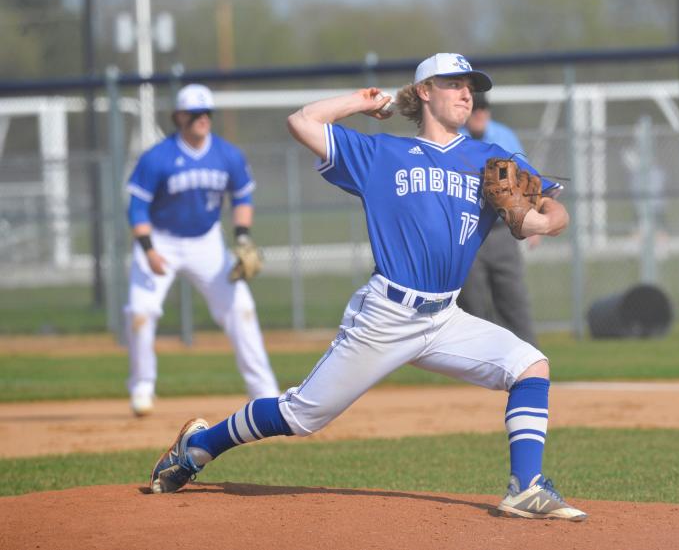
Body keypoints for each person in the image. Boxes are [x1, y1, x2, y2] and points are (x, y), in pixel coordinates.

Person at [148, 54, 587, 521]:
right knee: (302, 415)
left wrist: (532, 217)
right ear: (424, 91)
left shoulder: (490, 160)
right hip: (387, 314)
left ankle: (525, 487)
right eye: (454, 84)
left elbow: (551, 212)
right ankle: (196, 448)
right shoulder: (382, 155)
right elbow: (302, 121)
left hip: (445, 317)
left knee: (529, 366)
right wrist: (361, 102)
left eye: (471, 87)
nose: (466, 94)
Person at [124, 84, 280, 417]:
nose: (202, 119)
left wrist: (241, 239)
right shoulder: (157, 158)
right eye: (194, 114)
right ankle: (142, 387)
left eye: (207, 113)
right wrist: (148, 249)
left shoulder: (227, 155)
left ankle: (264, 392)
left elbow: (242, 197)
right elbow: (136, 209)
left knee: (241, 309)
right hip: (161, 240)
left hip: (206, 241)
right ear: (179, 117)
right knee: (140, 312)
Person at [457, 92, 538, 345]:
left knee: (513, 298)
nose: (479, 113)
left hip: (502, 230)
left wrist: (532, 222)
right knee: (472, 303)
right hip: (467, 232)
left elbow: (528, 179)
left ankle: (528, 358)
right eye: (475, 108)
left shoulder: (503, 136)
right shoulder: (454, 138)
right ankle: (479, 361)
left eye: (484, 108)